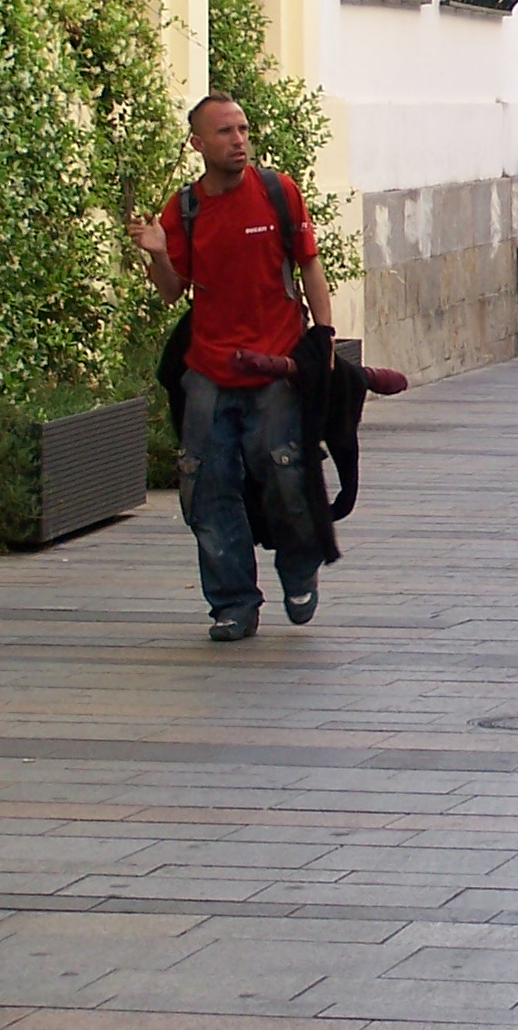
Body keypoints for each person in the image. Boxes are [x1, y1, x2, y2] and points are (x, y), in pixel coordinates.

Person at [127, 93, 336, 642]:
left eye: (243, 129)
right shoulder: (185, 209)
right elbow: (174, 290)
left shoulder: (277, 191)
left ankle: (298, 566)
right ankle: (232, 603)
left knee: (284, 473)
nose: (238, 140)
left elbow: (309, 265)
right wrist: (156, 252)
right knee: (207, 488)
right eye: (224, 132)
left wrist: (324, 336)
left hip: (275, 365)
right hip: (209, 372)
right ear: (197, 143)